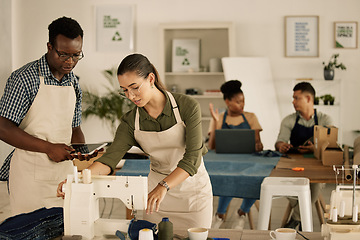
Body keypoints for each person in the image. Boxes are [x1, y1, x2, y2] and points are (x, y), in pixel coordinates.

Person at [58, 53, 213, 229]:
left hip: (192, 194)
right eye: (124, 90)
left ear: (151, 79)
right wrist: (76, 180)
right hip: (156, 199)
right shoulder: (130, 121)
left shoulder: (187, 106)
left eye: (134, 87)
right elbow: (109, 160)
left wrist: (163, 187)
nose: (131, 96)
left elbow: (192, 158)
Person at [0, 16, 87, 216]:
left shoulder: (73, 83)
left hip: (63, 176)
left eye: (76, 55)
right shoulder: (24, 78)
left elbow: (74, 128)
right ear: (49, 47)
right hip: (29, 177)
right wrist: (49, 148)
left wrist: (84, 158)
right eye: (64, 55)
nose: (70, 62)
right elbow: (3, 127)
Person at [275, 81, 332, 229]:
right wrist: (281, 145)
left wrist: (315, 149)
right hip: (292, 165)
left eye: (296, 98)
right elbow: (279, 142)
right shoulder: (289, 120)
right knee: (276, 180)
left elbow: (330, 148)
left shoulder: (326, 120)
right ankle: (300, 214)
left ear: (308, 99)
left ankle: (295, 219)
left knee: (313, 183)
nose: (293, 102)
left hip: (315, 166)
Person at [207, 80, 263, 230]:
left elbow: (259, 144)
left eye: (243, 101)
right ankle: (219, 215)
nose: (242, 105)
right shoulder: (219, 118)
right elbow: (211, 146)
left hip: (248, 162)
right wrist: (215, 121)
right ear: (227, 102)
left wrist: (258, 145)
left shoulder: (251, 117)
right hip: (226, 163)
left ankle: (242, 213)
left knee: (257, 180)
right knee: (228, 178)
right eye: (238, 102)